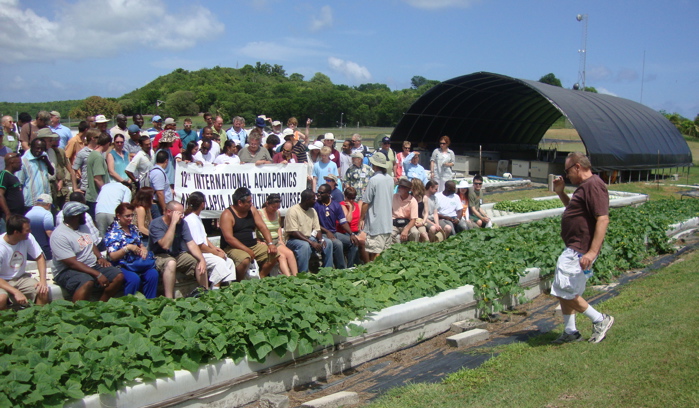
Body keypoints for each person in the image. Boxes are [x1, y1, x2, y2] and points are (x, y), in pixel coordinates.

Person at [551, 152, 614, 344]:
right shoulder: (585, 187)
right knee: (566, 288)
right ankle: (570, 331)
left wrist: (592, 252)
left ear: (577, 167)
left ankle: (600, 319)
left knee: (562, 288)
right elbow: (575, 211)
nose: (567, 175)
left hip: (580, 248)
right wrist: (561, 192)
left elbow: (602, 218)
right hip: (575, 246)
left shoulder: (594, 185)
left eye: (568, 170)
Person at [51, 201, 124, 302]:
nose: (85, 216)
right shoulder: (59, 236)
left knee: (118, 276)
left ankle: (100, 305)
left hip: (90, 264)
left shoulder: (83, 227)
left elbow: (90, 243)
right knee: (87, 282)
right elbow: (72, 263)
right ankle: (78, 311)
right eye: (83, 214)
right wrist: (97, 274)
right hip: (67, 270)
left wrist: (99, 257)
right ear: (75, 216)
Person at [149, 201, 207, 298]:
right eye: (179, 214)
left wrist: (201, 259)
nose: (182, 217)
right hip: (159, 255)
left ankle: (205, 293)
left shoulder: (183, 223)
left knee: (198, 262)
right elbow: (165, 245)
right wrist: (173, 223)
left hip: (177, 254)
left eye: (182, 214)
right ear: (169, 212)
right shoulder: (156, 224)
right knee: (171, 263)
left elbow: (191, 243)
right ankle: (169, 299)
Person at [219, 188, 278, 279]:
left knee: (274, 254)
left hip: (254, 245)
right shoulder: (227, 215)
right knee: (245, 260)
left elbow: (262, 227)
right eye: (249, 202)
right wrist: (246, 249)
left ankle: (260, 277)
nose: (251, 203)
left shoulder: (252, 210)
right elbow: (229, 238)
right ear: (240, 203)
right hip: (233, 248)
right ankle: (239, 282)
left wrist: (270, 243)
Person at [104, 203, 159, 298]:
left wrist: (143, 249)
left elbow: (140, 243)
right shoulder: (113, 232)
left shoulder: (133, 228)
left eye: (132, 215)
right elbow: (113, 256)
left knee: (153, 274)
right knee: (134, 279)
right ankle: (129, 304)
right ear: (118, 216)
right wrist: (127, 248)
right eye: (127, 216)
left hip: (137, 262)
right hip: (122, 265)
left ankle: (151, 302)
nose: (130, 218)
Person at [184, 192, 237, 287]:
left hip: (205, 251)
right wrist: (215, 253)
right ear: (202, 204)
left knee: (229, 261)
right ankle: (214, 291)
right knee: (219, 262)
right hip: (197, 253)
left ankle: (227, 288)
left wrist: (215, 248)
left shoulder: (197, 218)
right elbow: (199, 245)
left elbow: (204, 238)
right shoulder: (191, 220)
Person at [0, 215, 49, 309]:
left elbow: (40, 257)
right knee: (1, 299)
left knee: (43, 291)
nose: (30, 231)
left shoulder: (28, 238)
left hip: (21, 278)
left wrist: (43, 280)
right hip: (2, 281)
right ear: (16, 232)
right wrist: (15, 291)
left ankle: (40, 319)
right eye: (27, 230)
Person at [284, 189, 332, 273]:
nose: (315, 201)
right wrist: (311, 242)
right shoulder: (293, 211)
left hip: (310, 238)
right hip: (294, 240)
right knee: (305, 246)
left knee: (328, 243)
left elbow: (317, 229)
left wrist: (321, 240)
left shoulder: (312, 211)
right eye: (313, 199)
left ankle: (328, 271)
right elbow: (294, 232)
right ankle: (304, 273)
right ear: (307, 200)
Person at [314, 183, 358, 269]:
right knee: (338, 244)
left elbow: (343, 222)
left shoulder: (335, 205)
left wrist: (351, 234)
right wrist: (327, 231)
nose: (318, 194)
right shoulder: (316, 205)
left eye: (321, 193)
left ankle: (350, 268)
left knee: (354, 242)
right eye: (318, 192)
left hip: (334, 233)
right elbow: (314, 224)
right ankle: (341, 270)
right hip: (321, 233)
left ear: (328, 194)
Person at [360, 152, 394, 260]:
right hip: (387, 223)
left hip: (376, 224)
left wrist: (361, 218)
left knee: (375, 254)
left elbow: (366, 202)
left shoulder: (374, 180)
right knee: (385, 253)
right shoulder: (390, 179)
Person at [258, 194, 298, 277]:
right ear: (267, 204)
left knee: (290, 253)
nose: (275, 209)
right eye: (273, 207)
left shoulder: (277, 213)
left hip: (276, 240)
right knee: (281, 256)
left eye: (277, 207)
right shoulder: (260, 213)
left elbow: (278, 227)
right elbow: (254, 229)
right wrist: (258, 240)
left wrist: (280, 239)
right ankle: (288, 277)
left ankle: (296, 276)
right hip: (265, 241)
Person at [18, 138, 54, 211]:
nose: (39, 150)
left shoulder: (44, 157)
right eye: (37, 148)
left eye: (42, 149)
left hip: (45, 200)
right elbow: (20, 183)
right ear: (31, 146)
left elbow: (52, 172)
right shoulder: (23, 161)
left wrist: (46, 161)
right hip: (31, 201)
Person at [339, 187, 369, 265]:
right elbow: (348, 220)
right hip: (346, 232)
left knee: (370, 241)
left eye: (353, 198)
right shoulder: (342, 205)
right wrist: (350, 208)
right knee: (359, 242)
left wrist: (361, 222)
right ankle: (364, 264)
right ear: (345, 197)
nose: (351, 200)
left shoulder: (356, 205)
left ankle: (367, 262)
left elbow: (359, 217)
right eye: (349, 198)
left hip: (356, 231)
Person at [85, 132, 112, 219]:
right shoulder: (98, 157)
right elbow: (97, 178)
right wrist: (106, 193)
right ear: (108, 143)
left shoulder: (93, 154)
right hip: (96, 198)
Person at [0, 153, 26, 233]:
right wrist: (7, 213)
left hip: (16, 216)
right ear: (11, 162)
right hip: (8, 218)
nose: (21, 165)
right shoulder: (4, 175)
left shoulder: (13, 177)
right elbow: (0, 194)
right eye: (19, 163)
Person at [25, 194, 54, 260]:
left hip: (30, 248)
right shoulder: (47, 214)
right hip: (43, 248)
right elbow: (49, 232)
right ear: (48, 205)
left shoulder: (27, 214)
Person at [391, 178, 419, 244]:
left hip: (407, 223)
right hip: (394, 222)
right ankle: (393, 251)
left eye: (401, 187)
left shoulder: (413, 201)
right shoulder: (393, 197)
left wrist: (406, 230)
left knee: (415, 233)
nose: (398, 188)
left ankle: (413, 250)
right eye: (398, 186)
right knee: (389, 234)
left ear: (407, 189)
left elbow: (413, 219)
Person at [72, 129, 99, 194]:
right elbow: (73, 170)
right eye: (98, 137)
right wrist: (75, 188)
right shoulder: (82, 153)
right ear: (93, 138)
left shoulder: (100, 151)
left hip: (98, 185)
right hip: (86, 187)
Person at [150, 150, 172, 219]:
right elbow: (159, 193)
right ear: (166, 161)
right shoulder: (158, 173)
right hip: (158, 206)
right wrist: (164, 209)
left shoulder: (158, 171)